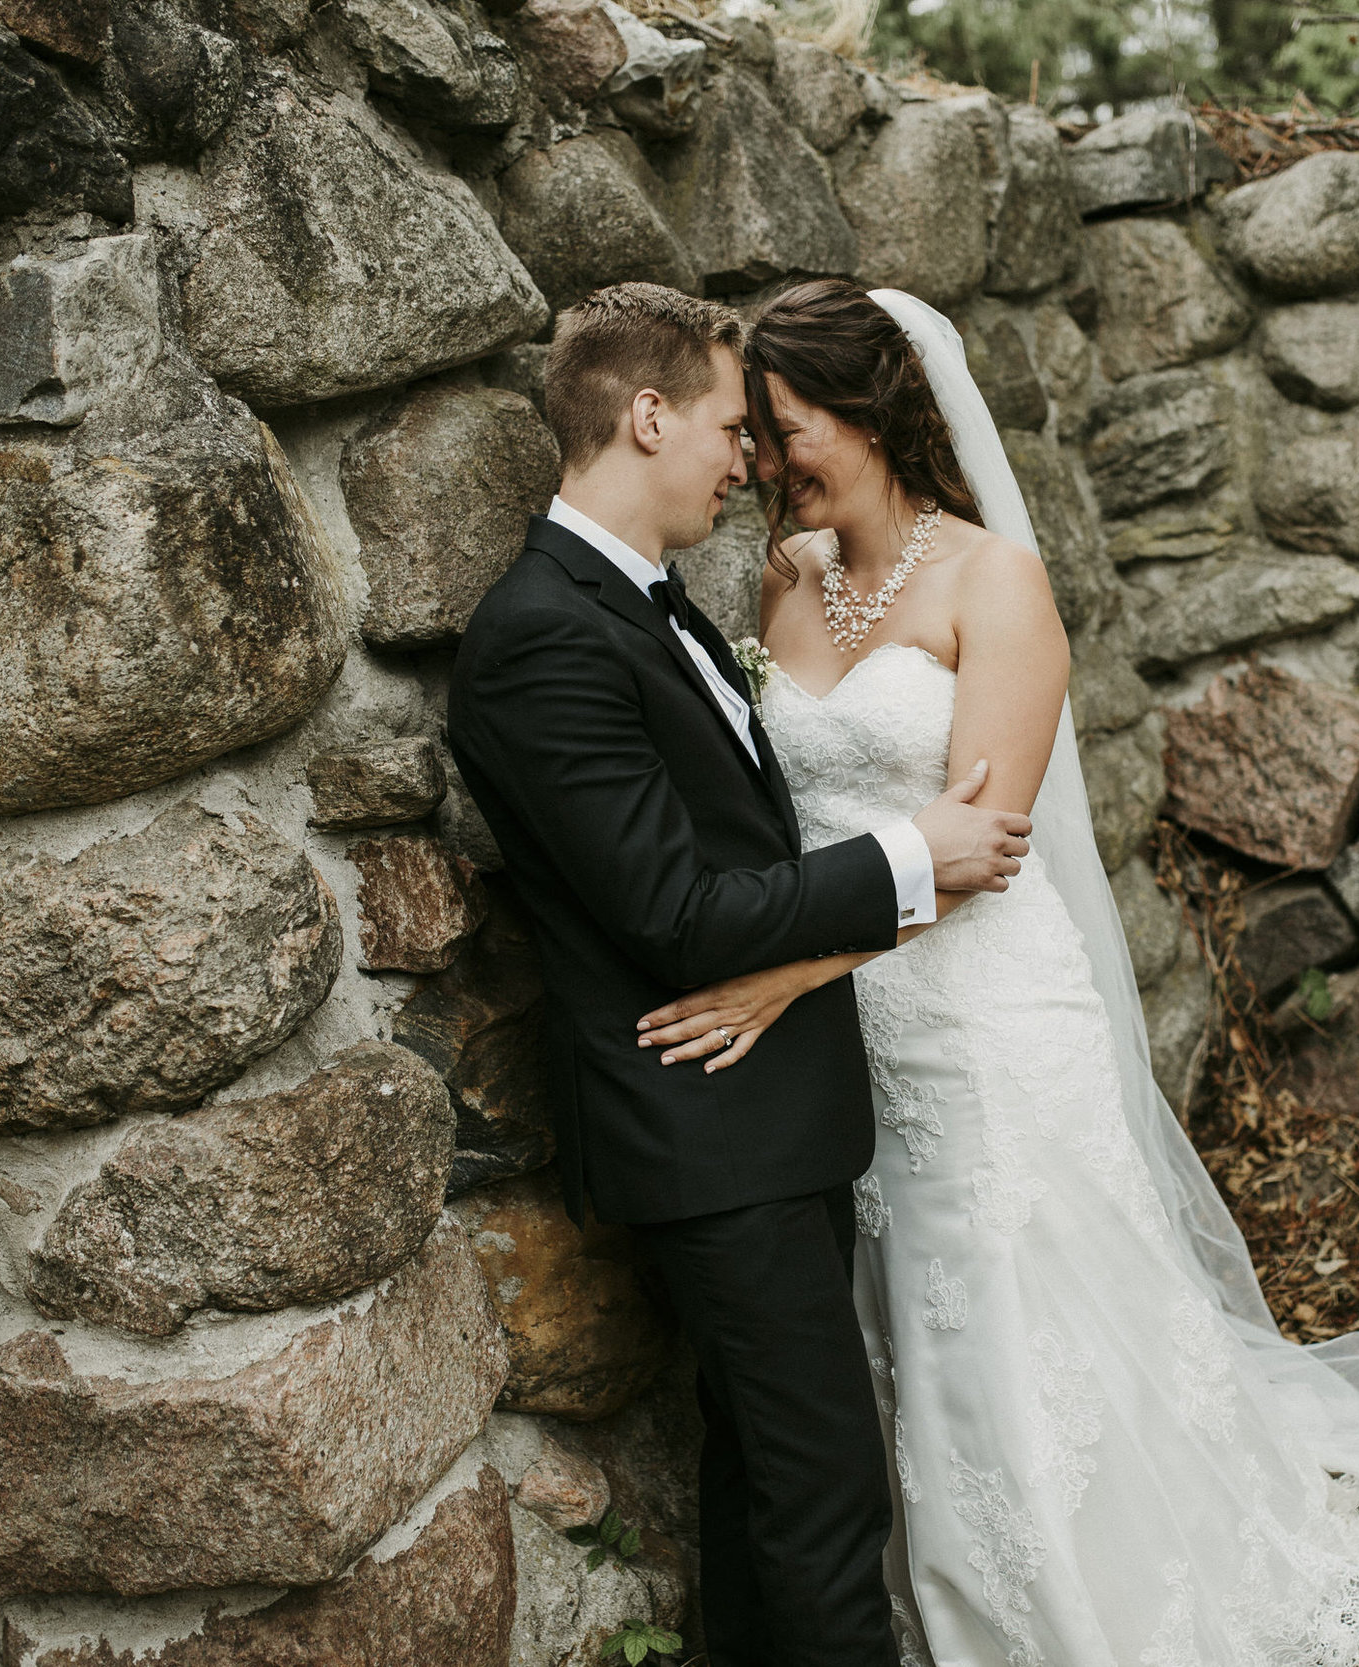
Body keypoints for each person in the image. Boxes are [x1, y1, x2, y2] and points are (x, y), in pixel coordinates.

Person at [632, 279, 1359, 1667]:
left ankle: (1076, 1599)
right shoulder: (786, 575)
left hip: (981, 1012)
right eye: (751, 434)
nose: (763, 461)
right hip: (855, 1027)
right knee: (891, 1315)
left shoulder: (995, 581)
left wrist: (781, 979)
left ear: (875, 408)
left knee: (1011, 1316)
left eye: (783, 426)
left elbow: (979, 853)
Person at [447, 282, 1037, 1667]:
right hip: (708, 1124)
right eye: (727, 425)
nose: (746, 458)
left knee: (767, 1479)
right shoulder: (545, 633)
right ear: (646, 417)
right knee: (825, 1493)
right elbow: (677, 910)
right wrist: (916, 850)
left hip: (765, 1120)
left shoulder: (645, 607)